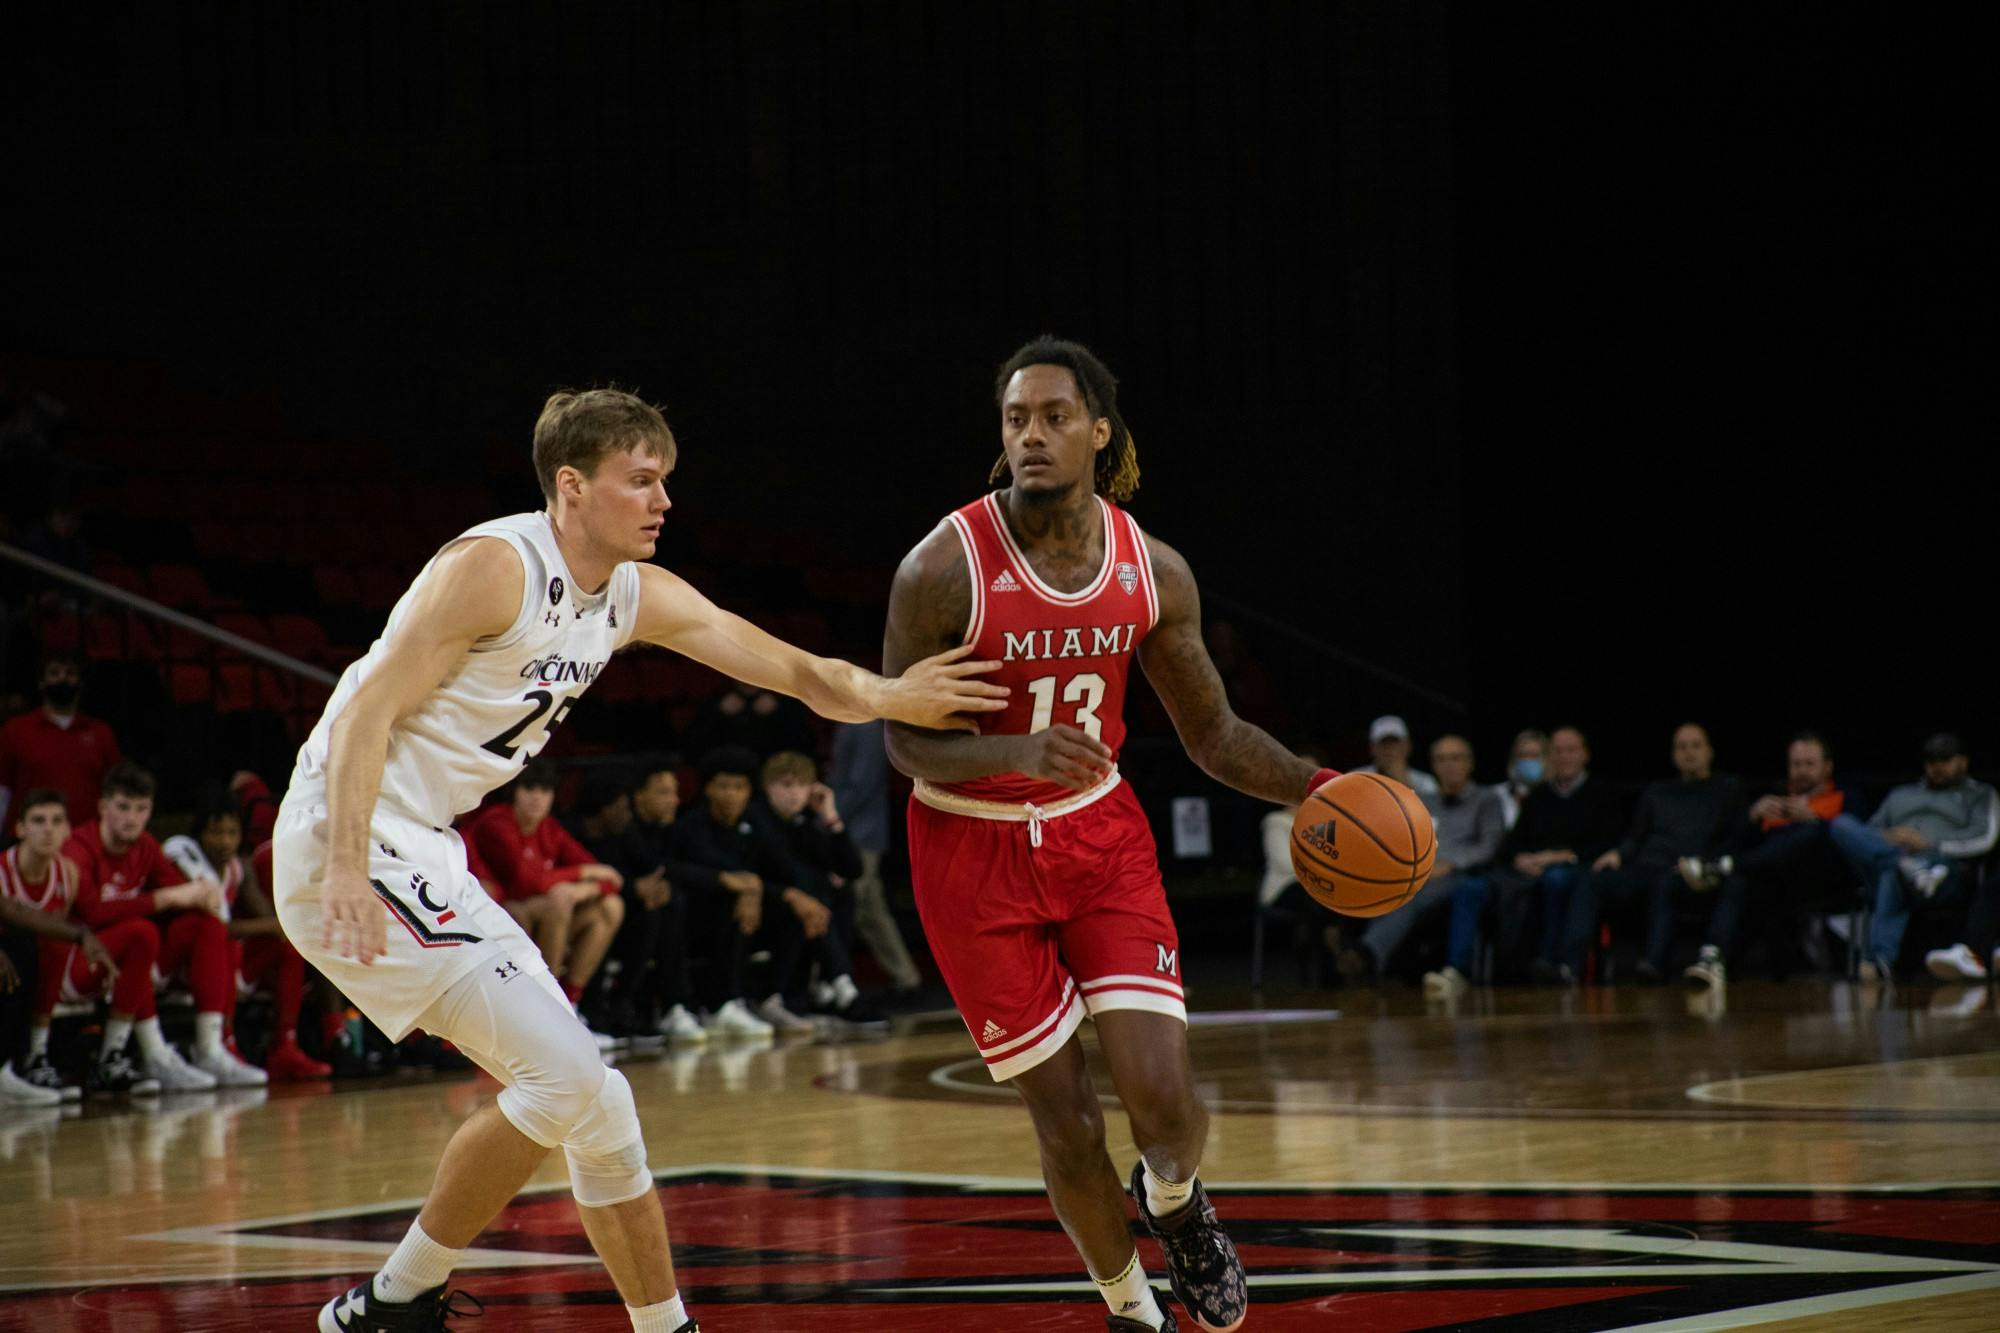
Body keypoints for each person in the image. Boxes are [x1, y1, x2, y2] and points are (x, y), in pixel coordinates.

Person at [274, 387, 1001, 1333]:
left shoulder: (632, 594)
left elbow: (794, 671)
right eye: (642, 479)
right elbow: (365, 713)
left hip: (422, 847)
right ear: (572, 487)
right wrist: (339, 867)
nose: (664, 500)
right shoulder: (495, 567)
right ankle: (390, 1299)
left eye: (667, 480)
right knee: (568, 1078)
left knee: (598, 1099)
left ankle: (642, 1325)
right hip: (349, 832)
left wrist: (895, 694)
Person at [883, 336, 1339, 1333]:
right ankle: (1129, 1306)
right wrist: (1014, 753)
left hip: (1099, 839)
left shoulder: (1152, 571)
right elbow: (905, 744)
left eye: (1053, 417)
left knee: (1162, 1100)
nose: (1032, 436)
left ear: (1098, 432)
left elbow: (1212, 734)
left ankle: (1175, 1199)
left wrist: (1318, 787)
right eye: (1015, 420)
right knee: (1067, 1119)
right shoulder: (940, 567)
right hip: (970, 851)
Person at [62, 762, 263, 1088]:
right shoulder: (79, 846)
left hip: (134, 962)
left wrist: (201, 895)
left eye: (141, 809)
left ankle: (212, 1047)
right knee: (141, 932)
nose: (132, 818)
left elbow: (184, 894)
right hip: (76, 962)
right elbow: (92, 913)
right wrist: (165, 898)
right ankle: (144, 1054)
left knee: (208, 925)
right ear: (102, 807)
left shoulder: (146, 846)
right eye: (123, 807)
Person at [675, 746, 839, 1036]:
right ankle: (719, 1005)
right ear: (708, 790)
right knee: (734, 900)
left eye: (738, 787)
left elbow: (783, 870)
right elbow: (704, 872)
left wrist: (791, 896)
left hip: (747, 916)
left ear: (749, 791)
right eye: (723, 786)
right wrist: (750, 888)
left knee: (801, 903)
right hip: (694, 919)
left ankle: (770, 998)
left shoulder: (753, 825)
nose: (731, 794)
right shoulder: (692, 825)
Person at [164, 797, 330, 1080]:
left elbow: (268, 919)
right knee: (222, 941)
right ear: (199, 835)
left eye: (232, 833)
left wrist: (279, 925)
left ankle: (284, 1046)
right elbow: (217, 929)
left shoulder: (239, 868)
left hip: (226, 962)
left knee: (288, 945)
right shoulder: (185, 863)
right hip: (183, 966)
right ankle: (223, 1045)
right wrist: (275, 925)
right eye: (216, 832)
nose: (225, 841)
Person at [1338, 736, 1506, 998]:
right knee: (1385, 887)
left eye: (1456, 758)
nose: (1449, 765)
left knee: (1415, 895)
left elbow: (1489, 846)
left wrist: (1449, 864)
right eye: (1441, 759)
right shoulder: (1424, 800)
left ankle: (1367, 954)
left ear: (1470, 763)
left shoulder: (1487, 800)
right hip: (1423, 873)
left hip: (1465, 875)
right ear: (1433, 766)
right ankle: (1378, 965)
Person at [1684, 731, 1853, 988]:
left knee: (1807, 836)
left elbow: (1856, 840)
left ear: (1827, 767)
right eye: (1796, 764)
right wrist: (1752, 816)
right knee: (1739, 880)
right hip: (1767, 881)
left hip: (1817, 879)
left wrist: (1814, 819)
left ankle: (1720, 869)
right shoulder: (1774, 797)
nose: (1802, 771)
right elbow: (1735, 843)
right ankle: (1712, 958)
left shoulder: (1844, 797)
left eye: (1810, 764)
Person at [1581, 723, 1747, 983]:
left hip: (1691, 871)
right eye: (1681, 747)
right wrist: (1618, 854)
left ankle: (1654, 963)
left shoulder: (1727, 788)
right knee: (1593, 878)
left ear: (1710, 751)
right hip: (1646, 866)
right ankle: (1568, 965)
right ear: (1672, 754)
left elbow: (1734, 838)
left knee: (1666, 882)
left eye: (1695, 745)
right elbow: (1636, 837)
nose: (1688, 752)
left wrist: (1703, 863)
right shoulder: (1657, 791)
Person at [470, 760, 627, 1031]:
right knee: (557, 903)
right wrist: (584, 873)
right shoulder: (496, 822)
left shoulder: (549, 828)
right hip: (498, 909)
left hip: (532, 908)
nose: (537, 797)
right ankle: (550, 1007)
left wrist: (584, 887)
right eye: (529, 788)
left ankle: (569, 1002)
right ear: (514, 792)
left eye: (545, 790)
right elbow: (525, 880)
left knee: (611, 906)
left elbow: (612, 880)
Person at [1828, 733, 1999, 981]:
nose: (1937, 767)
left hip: (1943, 874)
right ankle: (1904, 864)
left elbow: (1986, 838)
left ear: (1963, 762)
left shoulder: (1981, 794)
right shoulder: (1900, 795)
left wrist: (1932, 845)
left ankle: (1879, 961)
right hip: (1899, 864)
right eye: (1931, 760)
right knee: (1841, 824)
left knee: (1893, 873)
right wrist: (1889, 837)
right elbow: (1868, 833)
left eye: (1945, 760)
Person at [0, 788, 121, 1102]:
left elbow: (17, 911)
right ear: (20, 828)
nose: (47, 829)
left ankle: (19, 1064)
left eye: (56, 821)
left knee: (32, 944)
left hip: (39, 970)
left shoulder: (67, 872)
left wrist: (81, 936)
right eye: (38, 820)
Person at [760, 749, 886, 1027]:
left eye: (803, 785)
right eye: (786, 785)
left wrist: (831, 816)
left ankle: (833, 985)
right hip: (767, 907)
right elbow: (783, 873)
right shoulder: (760, 820)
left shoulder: (805, 824)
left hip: (804, 909)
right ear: (768, 787)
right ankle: (840, 986)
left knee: (842, 890)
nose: (795, 794)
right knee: (814, 890)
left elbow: (853, 869)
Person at [1489, 726, 1624, 983]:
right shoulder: (1539, 796)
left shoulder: (1602, 792)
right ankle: (1510, 969)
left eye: (1571, 750)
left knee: (1558, 879)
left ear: (1585, 754)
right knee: (1509, 886)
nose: (1565, 756)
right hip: (1536, 871)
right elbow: (1512, 844)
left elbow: (1609, 841)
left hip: (1582, 870)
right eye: (1558, 751)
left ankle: (1553, 958)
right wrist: (1520, 859)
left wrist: (1564, 856)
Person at [829, 719, 924, 994]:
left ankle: (830, 980)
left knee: (845, 905)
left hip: (860, 833)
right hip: (857, 829)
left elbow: (861, 784)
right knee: (870, 909)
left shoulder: (865, 727)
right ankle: (906, 977)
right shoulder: (854, 724)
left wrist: (831, 818)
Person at [0, 654, 121, 833]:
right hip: (30, 841)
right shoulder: (15, 731)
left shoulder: (100, 732)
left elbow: (115, 792)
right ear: (41, 682)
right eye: (54, 673)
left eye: (70, 673)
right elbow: (3, 791)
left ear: (80, 682)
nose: (62, 679)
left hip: (87, 842)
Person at [1354, 715, 1439, 798]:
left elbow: (1430, 811)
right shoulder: (1357, 778)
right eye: (1383, 744)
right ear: (1372, 748)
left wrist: (1403, 783)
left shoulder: (1426, 783)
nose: (1389, 750)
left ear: (1407, 746)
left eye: (1394, 743)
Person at [1492, 728, 1548, 829]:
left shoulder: (1555, 794)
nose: (1529, 761)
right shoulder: (1496, 795)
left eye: (1535, 755)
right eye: (1523, 755)